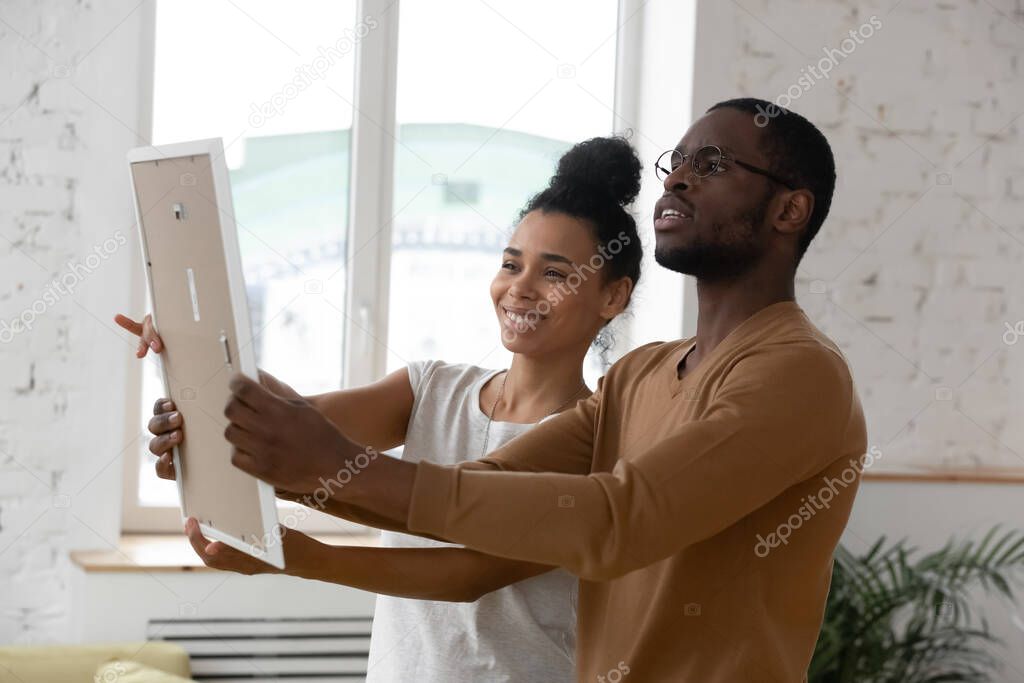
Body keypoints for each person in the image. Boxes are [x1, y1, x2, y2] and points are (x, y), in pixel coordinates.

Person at [211, 98, 869, 682]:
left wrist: (322, 468)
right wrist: (275, 463)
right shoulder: (638, 375)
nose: (678, 177)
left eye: (715, 164)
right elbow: (475, 491)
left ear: (790, 208)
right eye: (678, 161)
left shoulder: (799, 372)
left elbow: (617, 518)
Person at [115, 136, 645, 682]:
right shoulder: (432, 389)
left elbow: (468, 574)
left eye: (554, 274)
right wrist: (188, 344)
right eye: (512, 264)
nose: (520, 288)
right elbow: (292, 419)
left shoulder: (595, 441)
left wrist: (296, 557)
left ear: (612, 296)